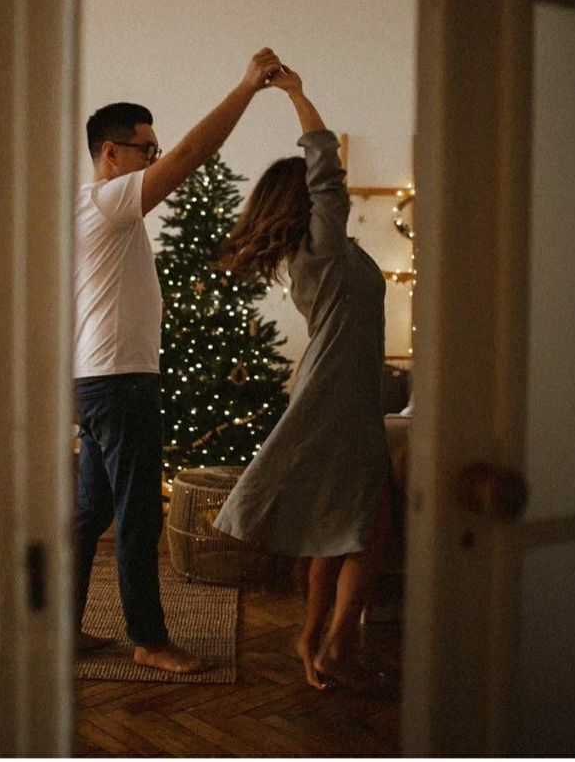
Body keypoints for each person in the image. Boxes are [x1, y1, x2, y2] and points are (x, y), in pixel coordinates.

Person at [74, 48, 282, 673]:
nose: (157, 159)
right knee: (138, 514)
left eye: (155, 150)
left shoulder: (95, 212)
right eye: (146, 149)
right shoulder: (108, 202)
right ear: (111, 153)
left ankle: (59, 627)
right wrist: (246, 88)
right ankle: (148, 639)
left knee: (91, 513)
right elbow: (194, 156)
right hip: (118, 383)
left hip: (97, 380)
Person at [213, 66, 392, 689]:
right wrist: (294, 93)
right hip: (338, 390)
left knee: (338, 522)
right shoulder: (320, 248)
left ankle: (312, 638)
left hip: (339, 384)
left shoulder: (314, 255)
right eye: (317, 195)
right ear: (307, 203)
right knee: (366, 526)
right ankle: (335, 647)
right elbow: (323, 161)